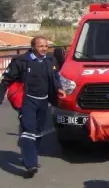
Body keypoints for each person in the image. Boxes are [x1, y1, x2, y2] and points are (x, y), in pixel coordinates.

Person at [0, 36, 66, 178]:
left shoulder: (50, 60)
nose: (44, 49)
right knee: (27, 131)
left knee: (38, 133)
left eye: (46, 46)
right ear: (33, 47)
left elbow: (55, 77)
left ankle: (31, 158)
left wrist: (59, 88)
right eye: (41, 46)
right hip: (27, 101)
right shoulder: (21, 62)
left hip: (44, 101)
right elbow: (6, 80)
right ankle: (30, 165)